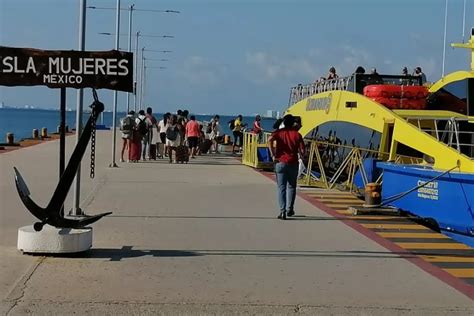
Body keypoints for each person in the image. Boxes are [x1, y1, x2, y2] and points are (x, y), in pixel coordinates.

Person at [267, 114, 305, 220]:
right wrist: (302, 156)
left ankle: (282, 211)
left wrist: (272, 154)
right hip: (293, 162)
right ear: (293, 123)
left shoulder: (279, 133)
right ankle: (290, 209)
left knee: (281, 188)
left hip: (280, 162)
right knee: (292, 186)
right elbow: (302, 150)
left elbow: (269, 139)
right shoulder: (297, 134)